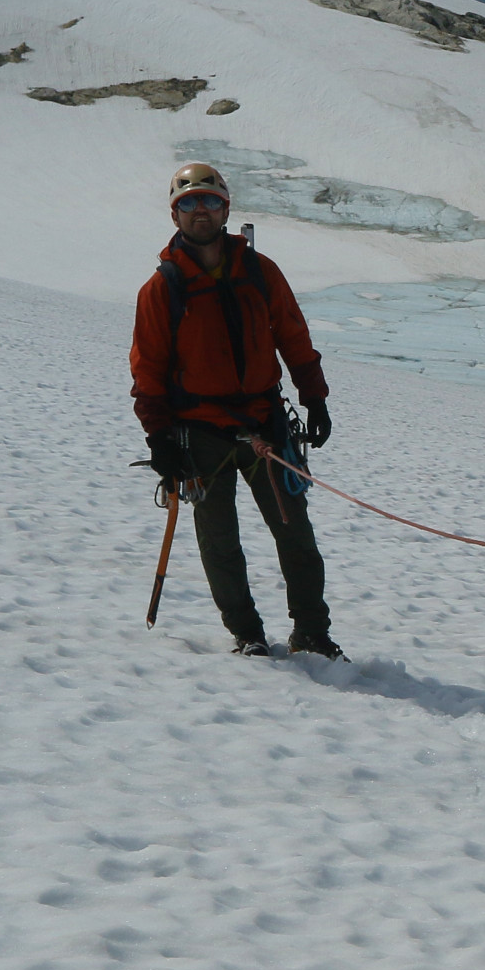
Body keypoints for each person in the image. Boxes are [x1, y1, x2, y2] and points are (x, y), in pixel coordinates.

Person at [130, 161, 342, 659]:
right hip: (198, 433)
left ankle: (312, 631)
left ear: (225, 207)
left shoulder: (260, 272)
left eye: (208, 201)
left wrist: (314, 396)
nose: (199, 211)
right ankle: (247, 634)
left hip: (264, 420)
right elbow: (149, 369)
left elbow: (292, 334)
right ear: (175, 214)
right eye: (188, 203)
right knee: (219, 540)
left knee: (296, 534)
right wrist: (159, 439)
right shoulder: (162, 288)